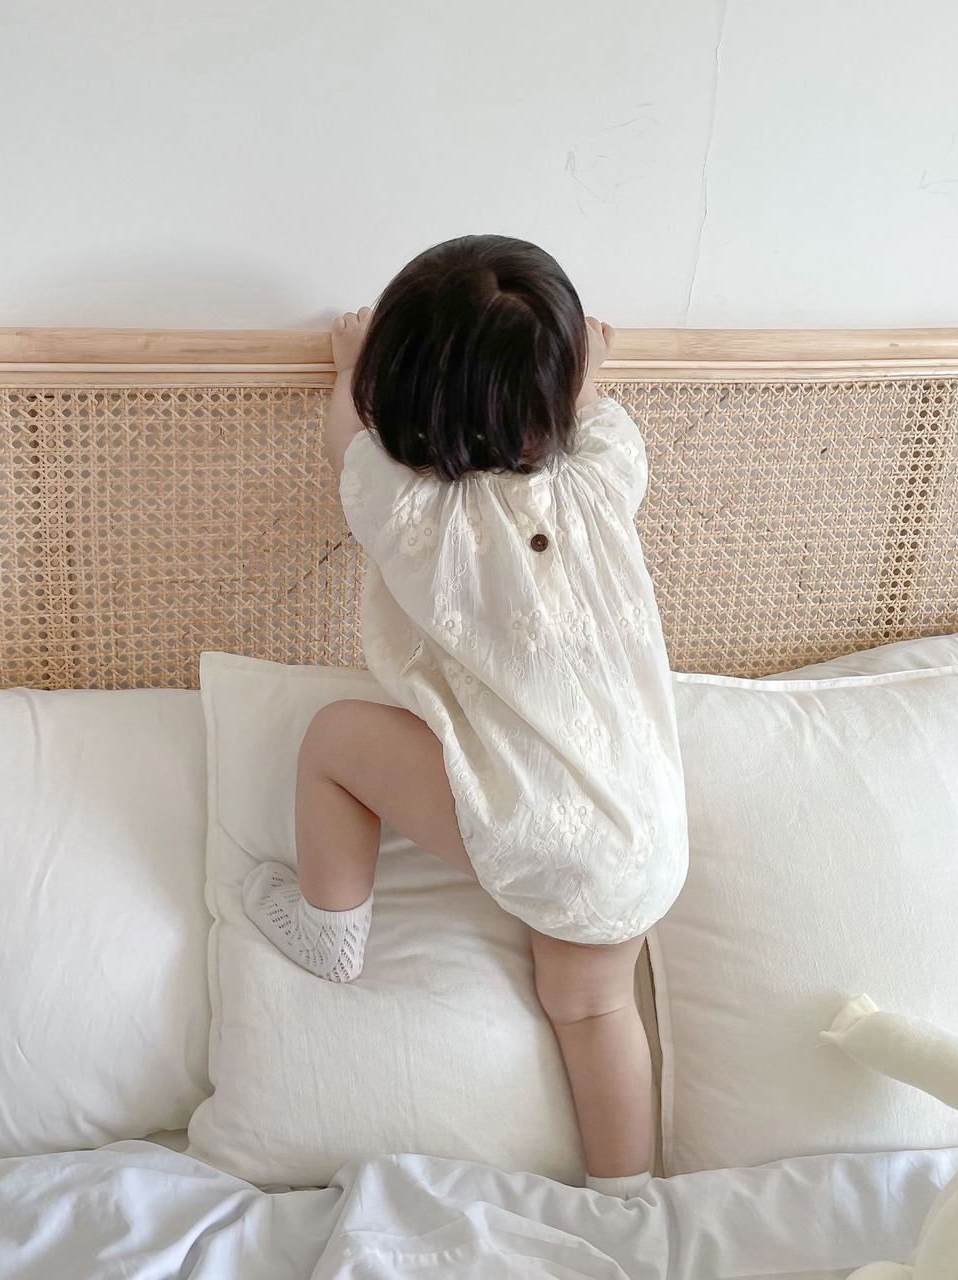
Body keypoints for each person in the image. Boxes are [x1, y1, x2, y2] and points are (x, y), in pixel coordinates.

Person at [243, 234, 688, 1199]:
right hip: (642, 836)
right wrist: (583, 369)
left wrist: (347, 372)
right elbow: (596, 412)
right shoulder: (605, 476)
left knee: (334, 742)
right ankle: (626, 1198)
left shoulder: (417, 517)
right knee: (594, 1009)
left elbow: (347, 449)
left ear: (402, 391)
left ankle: (330, 927)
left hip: (535, 824)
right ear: (561, 392)